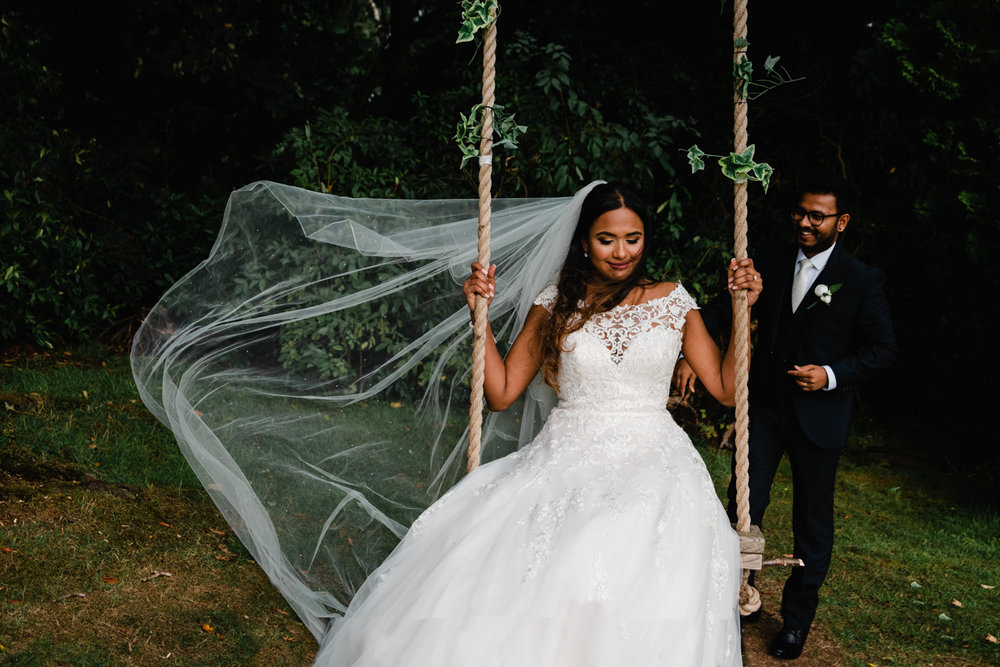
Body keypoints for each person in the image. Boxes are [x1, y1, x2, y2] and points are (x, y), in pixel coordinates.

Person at [309, 182, 762, 665]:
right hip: (568, 450)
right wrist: (477, 317)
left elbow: (728, 389)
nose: (621, 252)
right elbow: (502, 392)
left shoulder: (674, 301)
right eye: (606, 239)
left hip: (655, 456)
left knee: (624, 531)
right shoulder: (555, 302)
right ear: (584, 241)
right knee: (552, 542)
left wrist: (743, 312)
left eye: (633, 238)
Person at [675, 178, 897, 660]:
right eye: (800, 213)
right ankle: (739, 596)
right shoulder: (771, 261)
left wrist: (832, 374)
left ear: (841, 222)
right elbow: (723, 309)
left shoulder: (860, 278)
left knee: (811, 522)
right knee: (744, 503)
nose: (805, 222)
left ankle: (796, 621)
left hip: (821, 418)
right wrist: (694, 354)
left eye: (817, 216)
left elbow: (883, 350)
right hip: (767, 409)